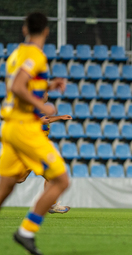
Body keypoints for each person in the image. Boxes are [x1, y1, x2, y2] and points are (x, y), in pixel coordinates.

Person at [0, 12, 69, 255]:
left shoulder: (16, 54)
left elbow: (19, 83)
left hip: (9, 126)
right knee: (61, 180)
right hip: (24, 127)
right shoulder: (35, 55)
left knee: (6, 186)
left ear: (24, 29)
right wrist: (43, 106)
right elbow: (19, 87)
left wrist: (49, 85)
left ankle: (25, 232)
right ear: (47, 31)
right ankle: (26, 232)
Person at [16, 91, 72, 214]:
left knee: (22, 179)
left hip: (39, 149)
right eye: (45, 92)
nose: (47, 94)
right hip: (32, 148)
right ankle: (51, 205)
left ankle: (51, 205)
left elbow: (45, 119)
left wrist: (60, 117)